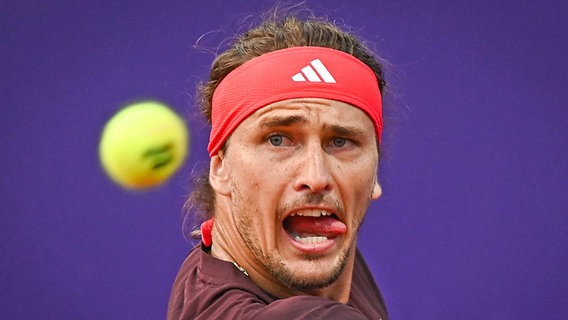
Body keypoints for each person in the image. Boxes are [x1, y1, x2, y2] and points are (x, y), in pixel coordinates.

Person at [168, 10, 389, 320]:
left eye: (341, 142)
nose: (316, 177)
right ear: (220, 168)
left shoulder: (219, 262)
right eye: (277, 140)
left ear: (374, 171)